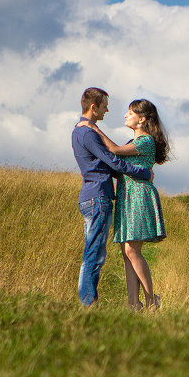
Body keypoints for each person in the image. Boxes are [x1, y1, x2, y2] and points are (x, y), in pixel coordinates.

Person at [77, 99, 170, 311]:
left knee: (132, 250)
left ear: (142, 119)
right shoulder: (134, 141)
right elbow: (117, 163)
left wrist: (92, 127)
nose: (126, 116)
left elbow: (115, 151)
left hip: (138, 196)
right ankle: (132, 303)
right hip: (127, 196)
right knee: (126, 251)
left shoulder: (145, 141)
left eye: (130, 113)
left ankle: (150, 299)